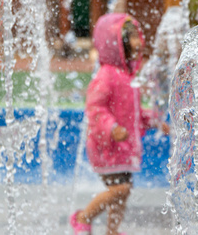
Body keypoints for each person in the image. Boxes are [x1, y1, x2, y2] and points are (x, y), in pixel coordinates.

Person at [70, 13, 169, 235]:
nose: (136, 42)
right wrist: (111, 128)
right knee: (120, 189)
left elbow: (133, 112)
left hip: (122, 148)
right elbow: (95, 108)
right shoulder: (106, 75)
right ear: (115, 42)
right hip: (107, 147)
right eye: (130, 37)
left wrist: (154, 120)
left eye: (136, 36)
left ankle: (112, 230)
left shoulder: (126, 75)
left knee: (123, 192)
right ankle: (82, 217)